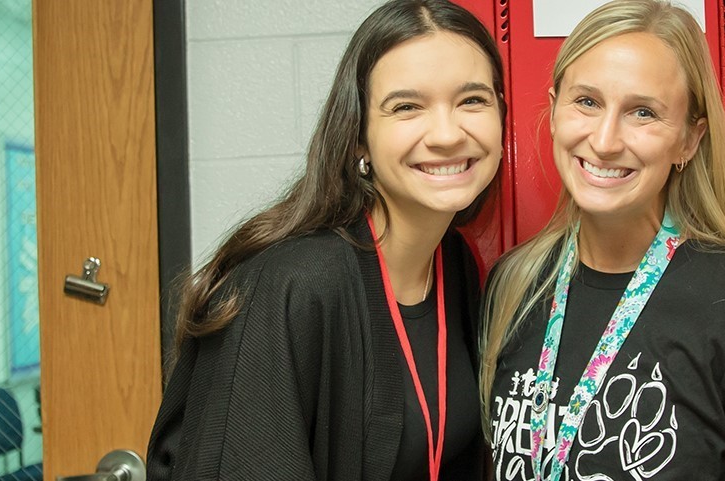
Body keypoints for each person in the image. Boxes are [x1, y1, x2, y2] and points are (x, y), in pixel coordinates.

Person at [146, 1, 506, 480]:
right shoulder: (291, 285)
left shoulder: (453, 263)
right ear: (359, 138)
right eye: (406, 107)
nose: (446, 133)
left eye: (472, 101)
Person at [480, 1, 725, 480]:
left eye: (642, 112)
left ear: (689, 140)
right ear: (555, 109)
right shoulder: (512, 287)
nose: (604, 141)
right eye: (587, 102)